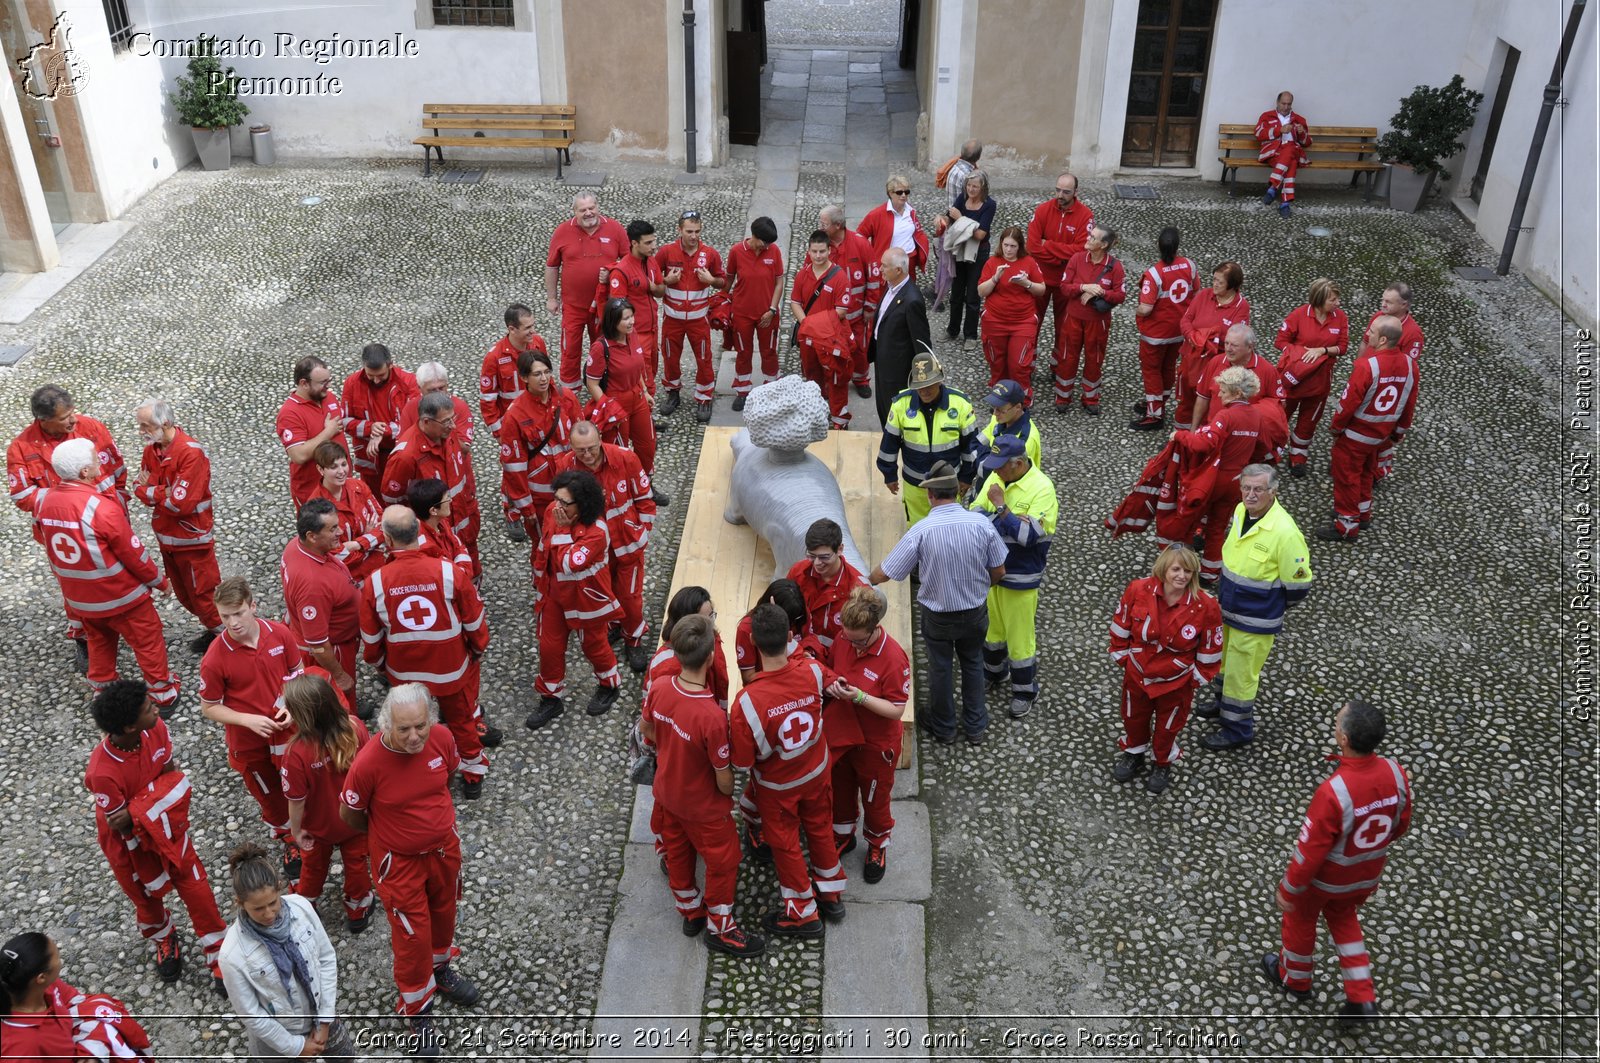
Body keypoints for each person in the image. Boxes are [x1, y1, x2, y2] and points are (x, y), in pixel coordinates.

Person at [340, 684, 480, 1054]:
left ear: (430, 719)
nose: (414, 736)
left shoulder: (442, 738)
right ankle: (416, 1008)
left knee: (445, 914)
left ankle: (439, 971)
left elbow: (445, 779)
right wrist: (392, 836)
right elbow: (350, 815)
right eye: (404, 729)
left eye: (420, 725)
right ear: (386, 725)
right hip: (397, 864)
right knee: (411, 934)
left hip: (444, 851)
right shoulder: (368, 763)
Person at [1264, 699, 1411, 1024]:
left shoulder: (1334, 792)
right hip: (1364, 876)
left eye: (1337, 722)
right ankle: (1362, 996)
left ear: (1344, 740)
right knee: (1344, 922)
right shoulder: (1396, 774)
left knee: (1300, 921)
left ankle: (1295, 979)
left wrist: (1289, 889)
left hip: (1323, 881)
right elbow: (1401, 824)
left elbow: (1309, 852)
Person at [85, 679, 228, 991]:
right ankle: (164, 938)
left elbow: (173, 780)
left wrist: (137, 810)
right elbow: (119, 825)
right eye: (149, 708)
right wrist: (150, 804)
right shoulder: (101, 772)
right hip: (129, 848)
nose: (157, 708)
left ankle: (220, 955)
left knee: (198, 890)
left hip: (168, 829)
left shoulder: (156, 730)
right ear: (127, 727)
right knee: (145, 899)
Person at [641, 615, 766, 957]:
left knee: (679, 855)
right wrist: (728, 791)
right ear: (711, 657)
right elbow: (723, 776)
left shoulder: (660, 687)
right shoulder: (711, 716)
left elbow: (647, 730)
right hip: (704, 809)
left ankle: (690, 912)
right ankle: (721, 927)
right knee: (724, 861)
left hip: (667, 794)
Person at [34, 439, 179, 715]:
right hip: (121, 596)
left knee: (99, 641)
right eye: (95, 461)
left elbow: (46, 541)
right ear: (85, 472)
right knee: (148, 641)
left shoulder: (44, 503)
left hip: (81, 599)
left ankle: (102, 688)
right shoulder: (100, 507)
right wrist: (160, 582)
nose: (100, 464)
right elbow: (132, 554)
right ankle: (163, 693)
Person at [730, 603, 846, 938]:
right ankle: (831, 892)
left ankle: (803, 914)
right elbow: (834, 682)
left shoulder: (747, 703)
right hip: (817, 771)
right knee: (821, 828)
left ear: (752, 640)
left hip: (778, 788)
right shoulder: (811, 670)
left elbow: (741, 763)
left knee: (785, 845)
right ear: (790, 637)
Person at [870, 461, 1007, 743]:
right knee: (972, 662)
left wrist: (863, 578)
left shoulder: (921, 530)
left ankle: (943, 728)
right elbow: (999, 571)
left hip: (938, 616)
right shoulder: (981, 523)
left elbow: (887, 572)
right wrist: (980, 588)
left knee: (940, 668)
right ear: (957, 492)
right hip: (975, 612)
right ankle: (976, 727)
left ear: (930, 496)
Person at [361, 505, 492, 798]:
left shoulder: (376, 583)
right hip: (450, 668)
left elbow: (371, 638)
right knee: (461, 720)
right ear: (420, 533)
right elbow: (473, 618)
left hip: (404, 673)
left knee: (409, 725)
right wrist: (476, 649)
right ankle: (472, 772)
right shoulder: (450, 573)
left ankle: (418, 770)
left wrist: (381, 664)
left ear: (387, 539)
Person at [8, 383, 127, 671]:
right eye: (65, 417)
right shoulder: (21, 449)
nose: (73, 420)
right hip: (64, 537)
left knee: (119, 577)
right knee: (76, 588)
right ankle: (84, 638)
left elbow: (117, 470)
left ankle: (125, 625)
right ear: (43, 420)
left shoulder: (92, 428)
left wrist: (119, 503)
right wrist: (70, 505)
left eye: (72, 412)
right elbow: (23, 496)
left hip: (107, 523)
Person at [1196, 464, 1313, 750]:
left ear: (1273, 492)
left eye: (1258, 489)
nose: (1250, 495)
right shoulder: (1240, 511)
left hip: (1255, 621)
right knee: (1224, 664)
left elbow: (1298, 587)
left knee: (1241, 677)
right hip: (1228, 611)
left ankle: (1237, 729)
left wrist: (1267, 606)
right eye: (1246, 488)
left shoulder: (1285, 533)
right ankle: (1223, 705)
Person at [199, 576, 307, 879]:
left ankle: (310, 825)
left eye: (238, 613)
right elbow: (209, 706)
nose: (232, 623)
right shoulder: (214, 658)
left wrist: (290, 702)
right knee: (269, 793)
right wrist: (246, 720)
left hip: (287, 731)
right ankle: (289, 838)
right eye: (225, 616)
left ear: (253, 606)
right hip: (249, 743)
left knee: (298, 780)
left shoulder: (280, 634)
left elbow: (297, 672)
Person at [218, 842, 355, 1063]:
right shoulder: (232, 956)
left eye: (273, 903)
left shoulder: (301, 908)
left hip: (322, 1017)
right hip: (277, 1044)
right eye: (258, 909)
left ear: (280, 888)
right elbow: (252, 1015)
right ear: (240, 903)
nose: (269, 913)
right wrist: (296, 1047)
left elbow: (326, 958)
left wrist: (325, 1020)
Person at [1108, 545, 1222, 794]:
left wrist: (1194, 680)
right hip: (1137, 675)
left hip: (1176, 684)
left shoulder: (1206, 605)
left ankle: (1162, 762)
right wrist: (1122, 658)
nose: (1182, 576)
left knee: (1168, 726)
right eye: (1176, 569)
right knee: (1132, 717)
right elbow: (1121, 623)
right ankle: (1134, 753)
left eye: (1188, 571)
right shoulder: (1138, 589)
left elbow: (1211, 648)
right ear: (1163, 568)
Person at [824, 585, 912, 884]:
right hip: (843, 736)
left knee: (875, 800)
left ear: (875, 628)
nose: (852, 644)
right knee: (841, 790)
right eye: (847, 636)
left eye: (858, 640)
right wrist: (833, 685)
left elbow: (897, 709)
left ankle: (876, 845)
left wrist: (859, 697)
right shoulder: (844, 638)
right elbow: (833, 668)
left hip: (876, 747)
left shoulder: (894, 658)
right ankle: (843, 835)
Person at [554, 421, 658, 670]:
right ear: (571, 447)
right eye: (581, 451)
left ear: (600, 438)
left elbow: (644, 499)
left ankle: (633, 639)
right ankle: (613, 625)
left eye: (591, 448)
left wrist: (643, 532)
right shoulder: (565, 466)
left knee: (630, 598)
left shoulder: (626, 459)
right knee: (604, 594)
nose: (587, 455)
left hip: (626, 546)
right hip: (594, 550)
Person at [526, 469, 624, 728]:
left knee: (594, 646)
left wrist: (562, 529)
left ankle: (609, 684)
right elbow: (543, 550)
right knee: (549, 648)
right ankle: (550, 696)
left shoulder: (597, 531)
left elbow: (569, 562)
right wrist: (539, 583)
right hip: (554, 595)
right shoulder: (552, 512)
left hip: (586, 599)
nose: (556, 505)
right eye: (556, 498)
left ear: (582, 504)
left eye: (564, 502)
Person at [1171, 366, 1287, 583]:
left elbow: (1203, 443)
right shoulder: (1256, 415)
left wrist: (1180, 435)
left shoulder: (1226, 415)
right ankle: (1210, 572)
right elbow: (1263, 446)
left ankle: (1182, 568)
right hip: (1237, 482)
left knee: (1189, 520)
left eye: (1223, 390)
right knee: (1218, 525)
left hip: (1214, 479)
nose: (1219, 394)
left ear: (1236, 393)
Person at [971, 435, 1059, 719]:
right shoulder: (997, 478)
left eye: (1001, 467)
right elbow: (974, 516)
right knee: (992, 630)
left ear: (1019, 464)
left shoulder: (1042, 489)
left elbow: (1028, 536)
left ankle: (1024, 690)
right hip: (990, 572)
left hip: (1020, 577)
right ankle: (994, 673)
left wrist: (999, 507)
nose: (994, 472)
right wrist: (1008, 519)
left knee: (1021, 640)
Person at [280, 673, 373, 931]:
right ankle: (357, 908)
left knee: (312, 867)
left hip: (318, 826)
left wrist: (296, 831)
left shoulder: (296, 752)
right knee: (357, 865)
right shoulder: (355, 728)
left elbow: (296, 800)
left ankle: (306, 905)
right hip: (355, 820)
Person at [1316, 316, 1419, 543]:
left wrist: (1336, 427)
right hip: (1381, 435)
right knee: (1365, 472)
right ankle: (1363, 514)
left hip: (1355, 435)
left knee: (1346, 477)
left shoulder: (1366, 366)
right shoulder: (1411, 366)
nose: (1367, 334)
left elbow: (1348, 402)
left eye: (1371, 331)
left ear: (1382, 340)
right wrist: (1398, 433)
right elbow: (1409, 404)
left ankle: (1346, 526)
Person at [133, 396, 221, 653]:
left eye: (145, 426)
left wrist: (151, 490)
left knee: (204, 594)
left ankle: (226, 636)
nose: (141, 432)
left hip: (192, 540)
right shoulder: (152, 449)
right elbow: (139, 488)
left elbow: (179, 505)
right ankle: (215, 629)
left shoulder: (191, 453)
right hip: (168, 538)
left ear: (166, 422)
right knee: (185, 596)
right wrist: (161, 491)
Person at [0, 934, 151, 1062]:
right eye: (57, 957)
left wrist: (89, 1055)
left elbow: (73, 999)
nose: (60, 960)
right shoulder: (23, 1049)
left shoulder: (44, 987)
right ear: (41, 977)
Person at [385, 390, 482, 581]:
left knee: (471, 575)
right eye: (446, 421)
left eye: (452, 419)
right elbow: (392, 501)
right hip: (432, 537)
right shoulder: (405, 456)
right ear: (426, 421)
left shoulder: (447, 434)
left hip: (462, 523)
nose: (453, 425)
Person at [877, 351, 978, 526]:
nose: (924, 391)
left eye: (929, 385)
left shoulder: (961, 405)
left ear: (940, 380)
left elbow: (971, 447)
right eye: (919, 386)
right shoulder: (901, 405)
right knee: (917, 530)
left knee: (949, 530)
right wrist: (889, 475)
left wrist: (967, 477)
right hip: (915, 486)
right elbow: (889, 444)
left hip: (949, 487)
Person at [545, 192, 629, 390]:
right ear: (574, 212)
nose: (589, 213)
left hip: (604, 306)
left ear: (598, 207)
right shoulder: (562, 231)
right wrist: (551, 298)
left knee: (603, 348)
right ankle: (569, 392)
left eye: (592, 208)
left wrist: (613, 273)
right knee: (570, 349)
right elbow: (552, 266)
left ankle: (602, 387)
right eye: (583, 210)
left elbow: (628, 263)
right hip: (573, 306)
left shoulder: (615, 229)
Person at [498, 348, 581, 546]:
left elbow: (582, 438)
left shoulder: (566, 397)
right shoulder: (515, 415)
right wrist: (526, 507)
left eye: (547, 372)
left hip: (571, 488)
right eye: (537, 374)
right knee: (544, 546)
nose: (544, 378)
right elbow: (513, 467)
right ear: (524, 378)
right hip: (540, 496)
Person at [281, 498, 361, 701]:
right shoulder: (312, 585)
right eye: (333, 528)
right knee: (338, 700)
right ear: (312, 536)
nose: (340, 532)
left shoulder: (296, 546)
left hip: (336, 639)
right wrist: (339, 675)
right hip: (334, 649)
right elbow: (318, 645)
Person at [1274, 278, 1351, 476]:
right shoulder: (1299, 315)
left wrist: (1321, 350)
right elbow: (1281, 341)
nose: (1337, 303)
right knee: (1281, 415)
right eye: (1333, 300)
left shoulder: (1340, 318)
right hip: (1294, 380)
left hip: (1320, 382)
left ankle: (1298, 456)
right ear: (1319, 300)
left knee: (1309, 421)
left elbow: (1342, 348)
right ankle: (1271, 452)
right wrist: (1300, 355)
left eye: (1337, 299)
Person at [656, 210, 727, 422]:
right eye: (689, 231)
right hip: (672, 319)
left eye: (697, 231)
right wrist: (666, 280)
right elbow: (652, 277)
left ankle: (704, 397)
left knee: (704, 358)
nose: (693, 236)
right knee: (670, 357)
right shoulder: (666, 252)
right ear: (679, 230)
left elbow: (723, 282)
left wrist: (711, 280)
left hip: (698, 320)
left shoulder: (710, 254)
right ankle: (672, 392)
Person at [1026, 172, 1095, 371]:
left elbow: (1082, 251)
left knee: (1064, 328)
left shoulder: (1085, 216)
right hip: (1040, 279)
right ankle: (1028, 363)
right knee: (1033, 322)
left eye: (1066, 191)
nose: (1060, 195)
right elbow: (1033, 246)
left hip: (1067, 282)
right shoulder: (1042, 210)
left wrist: (1049, 246)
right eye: (1058, 190)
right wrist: (1062, 256)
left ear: (1075, 192)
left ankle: (1058, 366)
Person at [1130, 226, 1198, 429]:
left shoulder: (1154, 274)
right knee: (1168, 368)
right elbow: (1196, 293)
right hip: (1178, 332)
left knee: (1151, 371)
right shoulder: (1190, 266)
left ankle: (1154, 414)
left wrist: (1137, 310)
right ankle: (1159, 402)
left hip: (1155, 334)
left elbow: (1146, 307)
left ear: (1158, 246)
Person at [1054, 224, 1125, 414]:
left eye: (1093, 238)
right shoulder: (1076, 259)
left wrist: (1100, 292)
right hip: (1073, 318)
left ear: (1103, 245)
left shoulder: (1115, 267)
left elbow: (1120, 295)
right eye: (1090, 235)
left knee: (1095, 359)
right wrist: (1084, 287)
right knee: (1068, 356)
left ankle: (1091, 397)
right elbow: (1064, 287)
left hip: (1098, 322)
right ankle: (1063, 396)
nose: (1088, 239)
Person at [586, 297, 660, 479]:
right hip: (616, 403)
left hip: (637, 397)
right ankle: (623, 488)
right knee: (620, 449)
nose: (631, 322)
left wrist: (644, 391)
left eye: (632, 316)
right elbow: (592, 383)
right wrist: (608, 408)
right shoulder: (600, 348)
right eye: (625, 319)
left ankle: (645, 484)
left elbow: (638, 367)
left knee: (648, 444)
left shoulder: (632, 335)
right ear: (613, 321)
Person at [788, 230, 854, 428]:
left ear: (829, 250)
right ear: (808, 251)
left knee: (835, 377)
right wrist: (808, 326)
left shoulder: (840, 277)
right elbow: (795, 303)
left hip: (831, 338)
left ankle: (839, 419)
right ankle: (816, 411)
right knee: (811, 374)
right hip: (809, 338)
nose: (818, 256)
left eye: (822, 251)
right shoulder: (802, 275)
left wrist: (811, 326)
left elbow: (841, 311)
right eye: (814, 251)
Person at [1175, 261, 1251, 428]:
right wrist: (1193, 337)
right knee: (1185, 401)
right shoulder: (1203, 295)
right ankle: (1179, 440)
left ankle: (1201, 440)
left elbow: (1236, 337)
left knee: (1209, 403)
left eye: (1220, 282)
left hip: (1215, 365)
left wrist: (1209, 339)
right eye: (1214, 279)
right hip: (1191, 359)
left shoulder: (1241, 307)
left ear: (1232, 286)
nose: (1215, 284)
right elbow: (1186, 320)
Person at [976, 226, 1046, 401]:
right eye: (1006, 245)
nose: (1008, 249)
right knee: (996, 362)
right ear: (1001, 243)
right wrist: (995, 278)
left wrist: (1026, 283)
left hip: (1022, 322)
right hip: (995, 321)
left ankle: (1021, 399)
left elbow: (1041, 290)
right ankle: (999, 398)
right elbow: (981, 291)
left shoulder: (1029, 262)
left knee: (1019, 364)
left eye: (1013, 246)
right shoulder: (992, 263)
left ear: (1019, 246)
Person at [725, 216, 787, 410]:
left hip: (767, 314)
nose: (766, 246)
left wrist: (772, 309)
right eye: (764, 241)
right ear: (754, 235)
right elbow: (728, 280)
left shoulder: (774, 251)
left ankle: (771, 389)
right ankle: (743, 390)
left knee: (769, 352)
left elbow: (779, 282)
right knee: (743, 352)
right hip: (741, 313)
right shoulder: (736, 251)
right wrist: (721, 301)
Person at [341, 342, 419, 496]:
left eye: (381, 375)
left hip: (401, 455)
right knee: (373, 501)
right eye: (371, 376)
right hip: (370, 460)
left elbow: (413, 422)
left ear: (390, 365)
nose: (376, 380)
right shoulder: (352, 383)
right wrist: (370, 428)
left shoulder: (409, 382)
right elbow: (344, 421)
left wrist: (382, 431)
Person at [820, 203, 881, 393]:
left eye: (824, 223)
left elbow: (873, 277)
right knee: (830, 350)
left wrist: (870, 308)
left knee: (859, 349)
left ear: (837, 225)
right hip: (830, 316)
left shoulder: (861, 244)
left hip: (856, 315)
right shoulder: (821, 245)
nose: (820, 227)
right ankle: (833, 380)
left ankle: (860, 379)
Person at [785, 518, 870, 652]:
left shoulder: (858, 589)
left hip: (838, 658)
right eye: (811, 556)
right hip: (801, 653)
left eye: (824, 557)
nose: (817, 563)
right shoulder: (798, 573)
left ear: (840, 549)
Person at [604, 219, 666, 400]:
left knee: (651, 372)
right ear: (634, 243)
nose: (653, 246)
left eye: (654, 241)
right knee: (644, 380)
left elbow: (661, 290)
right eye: (648, 243)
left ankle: (647, 418)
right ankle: (645, 421)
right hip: (637, 334)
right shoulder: (622, 271)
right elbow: (617, 310)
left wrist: (654, 288)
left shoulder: (651, 262)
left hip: (653, 331)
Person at [1369, 282, 1425, 481]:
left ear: (1404, 305)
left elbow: (1407, 369)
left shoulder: (1413, 333)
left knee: (1384, 435)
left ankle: (1378, 472)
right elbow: (1365, 343)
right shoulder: (1378, 318)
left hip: (1388, 390)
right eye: (1382, 299)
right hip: (1370, 381)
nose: (1382, 305)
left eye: (1388, 302)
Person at [870, 247, 933, 424]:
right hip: (883, 362)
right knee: (882, 408)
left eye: (884, 266)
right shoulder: (892, 287)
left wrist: (924, 379)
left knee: (894, 415)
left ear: (898, 270)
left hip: (898, 371)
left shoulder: (912, 300)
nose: (880, 269)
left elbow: (921, 342)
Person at [309, 441, 386, 583]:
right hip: (348, 579)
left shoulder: (359, 486)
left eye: (344, 464)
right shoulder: (315, 507)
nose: (341, 471)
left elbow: (385, 527)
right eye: (333, 467)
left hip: (377, 570)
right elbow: (334, 556)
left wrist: (356, 544)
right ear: (321, 470)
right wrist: (370, 543)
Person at [277, 356, 348, 508]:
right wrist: (328, 432)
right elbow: (299, 455)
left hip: (340, 485)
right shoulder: (290, 413)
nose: (328, 386)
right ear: (304, 383)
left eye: (329, 380)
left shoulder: (329, 397)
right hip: (313, 492)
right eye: (323, 383)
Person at [1190, 323, 1287, 431]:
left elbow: (1278, 405)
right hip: (1215, 432)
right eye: (1226, 343)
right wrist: (1193, 430)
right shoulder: (1215, 362)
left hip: (1246, 435)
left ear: (1250, 347)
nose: (1228, 349)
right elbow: (1203, 398)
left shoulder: (1267, 370)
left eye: (1234, 345)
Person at [479, 302, 547, 443]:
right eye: (527, 327)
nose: (533, 331)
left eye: (533, 325)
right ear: (512, 329)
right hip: (514, 424)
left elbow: (547, 378)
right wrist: (499, 433)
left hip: (540, 417)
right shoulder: (494, 357)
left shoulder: (538, 343)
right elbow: (487, 400)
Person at [942, 171, 997, 348]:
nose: (971, 189)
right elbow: (948, 218)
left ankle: (971, 335)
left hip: (978, 253)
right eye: (969, 185)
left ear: (983, 188)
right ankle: (952, 330)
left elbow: (981, 234)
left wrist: (961, 219)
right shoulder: (961, 198)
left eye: (975, 186)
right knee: (956, 293)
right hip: (960, 250)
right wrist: (940, 220)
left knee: (973, 295)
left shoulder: (989, 205)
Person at [933, 140, 983, 312]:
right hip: (960, 225)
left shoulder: (955, 167)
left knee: (947, 262)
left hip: (952, 220)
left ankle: (940, 292)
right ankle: (944, 294)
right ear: (978, 156)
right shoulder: (968, 177)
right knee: (955, 265)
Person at [856, 175, 930, 279]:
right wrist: (869, 257)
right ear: (890, 193)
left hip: (909, 260)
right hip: (890, 264)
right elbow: (859, 236)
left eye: (906, 192)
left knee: (908, 292)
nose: (904, 195)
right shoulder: (877, 214)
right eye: (899, 192)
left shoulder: (911, 211)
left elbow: (918, 233)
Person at [1256, 91, 1312, 218]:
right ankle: (1284, 204)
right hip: (1273, 153)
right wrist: (1278, 130)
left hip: (1291, 152)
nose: (1286, 107)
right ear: (1277, 102)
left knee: (1290, 148)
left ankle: (1273, 188)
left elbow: (1307, 143)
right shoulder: (1267, 116)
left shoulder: (1299, 119)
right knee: (1291, 161)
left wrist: (1302, 133)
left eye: (1289, 104)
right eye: (1283, 103)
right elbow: (1259, 134)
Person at [409, 477, 474, 577]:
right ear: (433, 511)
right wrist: (464, 571)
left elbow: (458, 545)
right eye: (447, 499)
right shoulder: (424, 546)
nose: (450, 500)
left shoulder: (441, 521)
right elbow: (452, 577)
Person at [977, 379, 1043, 469]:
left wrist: (982, 462)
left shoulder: (1026, 441)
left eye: (1000, 409)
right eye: (994, 407)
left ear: (1018, 407)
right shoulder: (999, 418)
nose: (995, 413)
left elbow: (1010, 474)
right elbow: (977, 443)